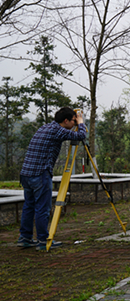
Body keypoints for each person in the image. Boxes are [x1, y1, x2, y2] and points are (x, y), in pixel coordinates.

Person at [17, 107, 86, 251]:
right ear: (66, 120)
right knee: (43, 208)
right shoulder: (57, 130)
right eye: (73, 120)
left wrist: (76, 122)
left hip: (26, 174)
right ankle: (43, 240)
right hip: (40, 173)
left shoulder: (45, 127)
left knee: (29, 206)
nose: (74, 123)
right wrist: (81, 123)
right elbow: (80, 136)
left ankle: (25, 238)